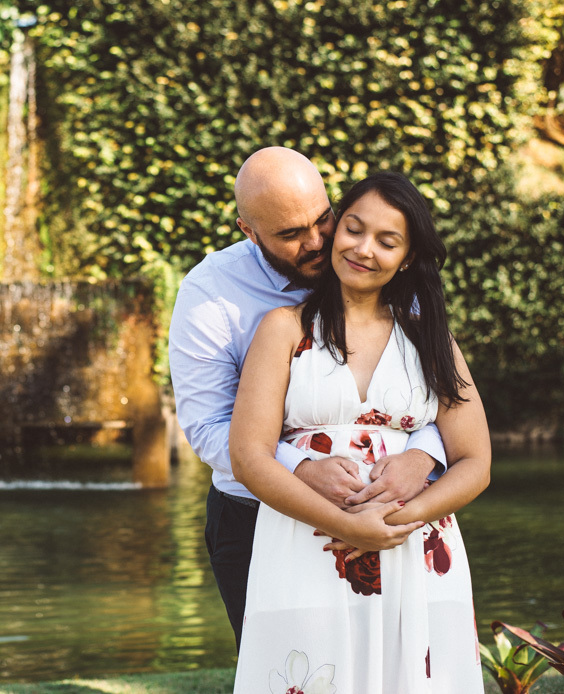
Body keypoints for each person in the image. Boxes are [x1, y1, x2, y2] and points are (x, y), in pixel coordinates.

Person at [168, 147, 447, 649]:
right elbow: (209, 427)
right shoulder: (210, 294)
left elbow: (421, 394)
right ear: (248, 231)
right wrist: (298, 466)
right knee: (289, 671)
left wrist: (425, 457)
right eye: (290, 235)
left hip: (389, 512)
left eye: (324, 219)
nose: (318, 242)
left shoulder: (386, 273)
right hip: (256, 519)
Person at [230, 171, 490, 691]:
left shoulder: (430, 338)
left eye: (387, 241)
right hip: (306, 542)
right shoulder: (284, 328)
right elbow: (248, 457)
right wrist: (344, 525)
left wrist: (401, 519)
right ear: (334, 230)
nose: (363, 249)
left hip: (414, 548)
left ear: (408, 257)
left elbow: (475, 461)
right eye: (353, 228)